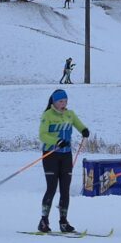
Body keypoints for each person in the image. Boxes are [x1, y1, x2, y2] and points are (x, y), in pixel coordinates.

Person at [38, 88, 89, 233]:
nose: (64, 104)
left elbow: (80, 126)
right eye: (61, 101)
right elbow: (42, 135)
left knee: (65, 189)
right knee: (52, 188)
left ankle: (63, 221)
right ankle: (44, 221)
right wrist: (57, 141)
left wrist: (84, 130)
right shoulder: (47, 115)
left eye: (65, 101)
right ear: (54, 102)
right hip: (51, 155)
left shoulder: (70, 114)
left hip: (66, 155)